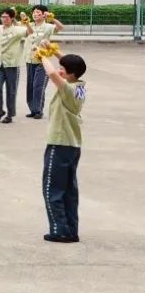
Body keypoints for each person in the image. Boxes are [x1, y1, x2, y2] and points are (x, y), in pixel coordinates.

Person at [40, 52, 87, 243]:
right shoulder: (79, 86)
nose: (59, 71)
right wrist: (54, 52)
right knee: (68, 190)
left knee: (52, 189)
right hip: (72, 145)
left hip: (60, 143)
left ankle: (60, 230)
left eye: (63, 69)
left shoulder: (67, 89)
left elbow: (52, 75)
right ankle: (71, 229)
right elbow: (68, 66)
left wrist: (42, 55)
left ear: (70, 74)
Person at [0, 8, 31, 124]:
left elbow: (30, 33)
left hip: (12, 65)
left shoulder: (18, 29)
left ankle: (10, 114)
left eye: (6, 17)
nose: (4, 19)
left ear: (12, 18)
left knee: (11, 91)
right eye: (2, 17)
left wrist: (26, 22)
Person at [24, 5, 64, 119]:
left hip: (42, 61)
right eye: (34, 12)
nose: (35, 14)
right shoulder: (29, 25)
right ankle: (32, 109)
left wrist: (52, 18)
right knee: (30, 86)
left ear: (44, 14)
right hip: (29, 59)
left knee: (38, 86)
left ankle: (38, 111)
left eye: (38, 12)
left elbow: (60, 27)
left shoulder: (48, 26)